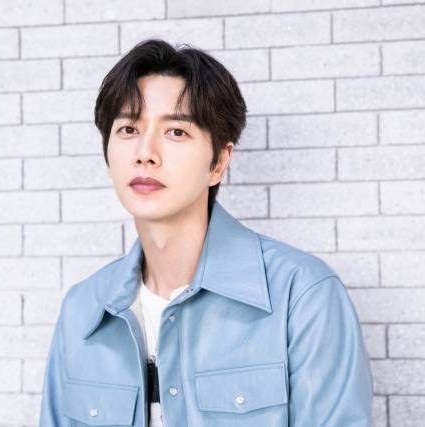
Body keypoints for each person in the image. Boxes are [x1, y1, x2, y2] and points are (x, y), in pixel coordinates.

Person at [38, 39, 373, 426]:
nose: (145, 153)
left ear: (219, 162)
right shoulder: (82, 310)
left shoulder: (302, 296)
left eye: (176, 132)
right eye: (128, 128)